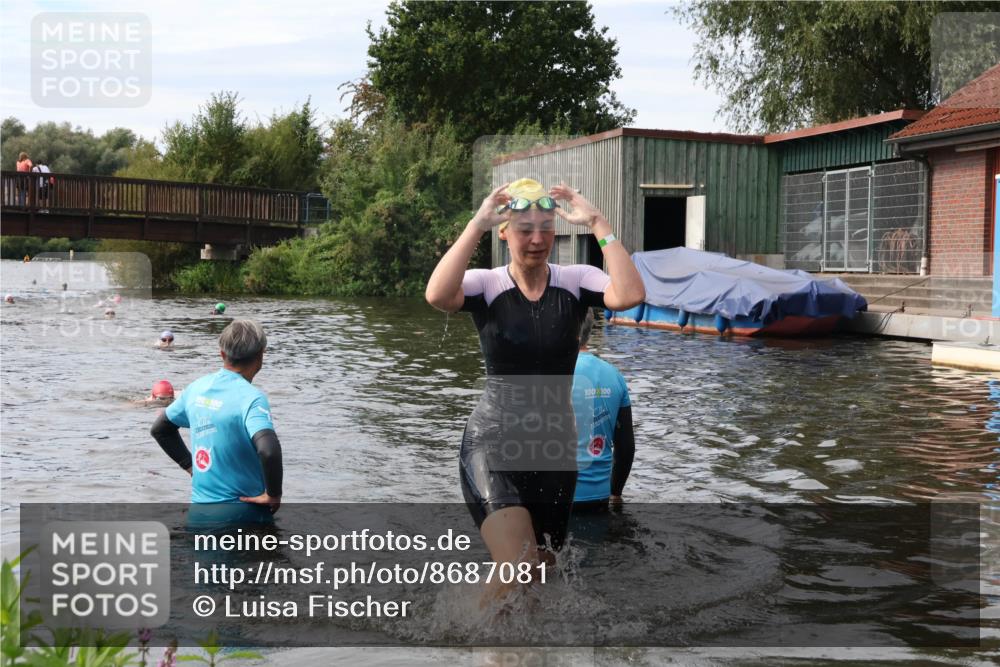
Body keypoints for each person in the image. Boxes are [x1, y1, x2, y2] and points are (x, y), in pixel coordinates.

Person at [425, 177, 644, 603]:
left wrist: (598, 222)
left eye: (546, 229)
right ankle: (466, 634)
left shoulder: (576, 280)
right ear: (505, 232)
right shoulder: (487, 284)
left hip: (553, 449)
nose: (538, 240)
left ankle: (513, 639)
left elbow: (630, 294)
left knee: (543, 570)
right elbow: (438, 295)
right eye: (525, 230)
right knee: (517, 563)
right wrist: (476, 225)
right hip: (495, 442)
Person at [150, 319, 282, 520]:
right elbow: (269, 450)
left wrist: (191, 466)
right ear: (261, 355)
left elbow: (160, 429)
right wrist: (273, 494)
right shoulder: (252, 398)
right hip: (244, 517)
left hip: (199, 515)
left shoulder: (195, 388)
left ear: (222, 354)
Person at [572, 310, 635, 509]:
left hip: (557, 500)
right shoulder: (614, 375)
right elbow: (626, 448)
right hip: (599, 497)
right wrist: (615, 494)